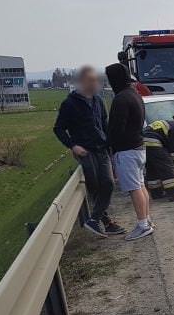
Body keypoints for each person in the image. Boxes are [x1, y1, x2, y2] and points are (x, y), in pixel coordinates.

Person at [52, 65, 124, 237]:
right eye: (90, 80)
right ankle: (105, 221)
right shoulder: (69, 103)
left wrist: (110, 146)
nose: (94, 83)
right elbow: (58, 128)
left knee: (108, 183)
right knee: (94, 185)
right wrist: (72, 145)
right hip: (84, 150)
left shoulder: (98, 100)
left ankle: (94, 219)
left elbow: (104, 124)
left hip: (102, 148)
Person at [105, 62, 152, 241]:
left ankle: (142, 225)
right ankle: (146, 220)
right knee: (140, 185)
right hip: (138, 147)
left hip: (126, 151)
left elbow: (116, 129)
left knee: (134, 188)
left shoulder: (120, 99)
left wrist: (107, 144)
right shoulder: (135, 95)